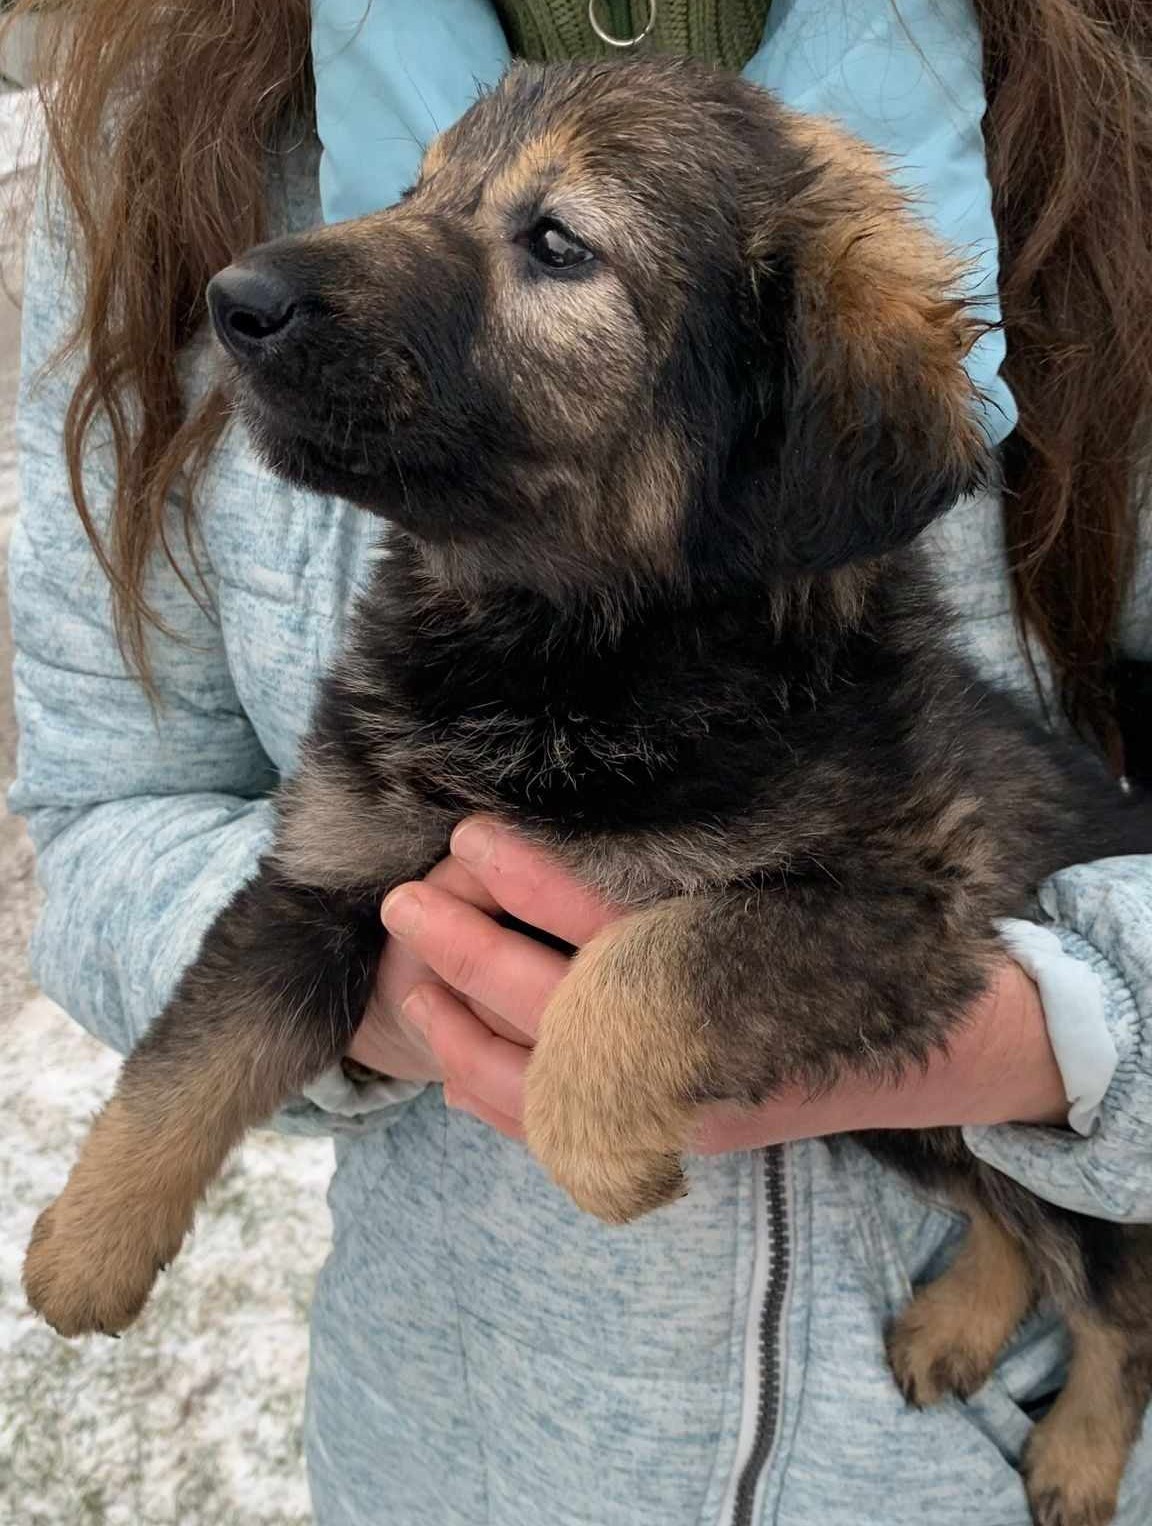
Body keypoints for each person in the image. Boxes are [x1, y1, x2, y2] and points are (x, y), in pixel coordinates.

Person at [7, 0, 1152, 1521]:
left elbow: (867, 914)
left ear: (775, 431)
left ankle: (1106, 1352)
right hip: (465, 1448)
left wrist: (1058, 1039)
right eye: (421, 191)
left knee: (1053, 1224)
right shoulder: (181, 120)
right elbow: (149, 836)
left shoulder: (1093, 142)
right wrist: (389, 1008)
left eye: (554, 246)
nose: (290, 279)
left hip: (945, 1460)